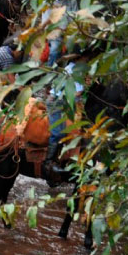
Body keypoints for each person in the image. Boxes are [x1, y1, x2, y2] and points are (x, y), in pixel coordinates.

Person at [43, 50, 89, 185]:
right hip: (56, 103)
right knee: (57, 133)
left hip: (61, 101)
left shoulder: (73, 68)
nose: (87, 61)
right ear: (80, 58)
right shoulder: (74, 71)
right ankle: (48, 163)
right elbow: (76, 95)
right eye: (86, 58)